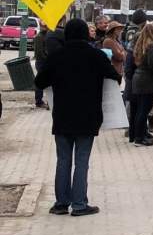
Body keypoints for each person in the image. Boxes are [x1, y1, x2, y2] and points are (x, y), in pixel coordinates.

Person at [33, 19, 119, 217]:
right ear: (85, 34)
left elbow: (39, 82)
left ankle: (61, 204)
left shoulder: (57, 56)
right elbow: (115, 77)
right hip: (88, 116)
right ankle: (79, 205)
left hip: (62, 116)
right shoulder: (96, 55)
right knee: (82, 160)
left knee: (63, 160)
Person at [129, 22, 153, 147]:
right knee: (144, 110)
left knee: (140, 109)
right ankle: (139, 138)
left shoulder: (141, 44)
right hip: (148, 80)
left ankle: (140, 134)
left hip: (139, 78)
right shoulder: (152, 46)